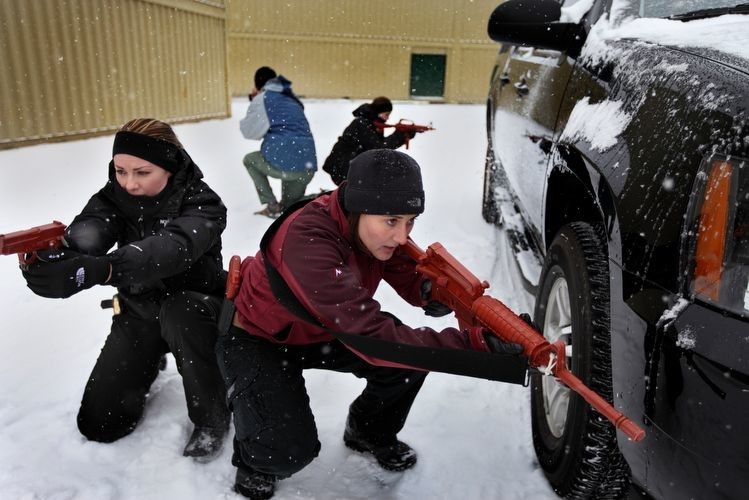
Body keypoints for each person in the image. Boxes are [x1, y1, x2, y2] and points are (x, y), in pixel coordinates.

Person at [216, 149, 528, 498]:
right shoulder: (307, 239)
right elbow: (370, 337)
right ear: (356, 208)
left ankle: (367, 432)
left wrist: (434, 290)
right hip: (258, 336)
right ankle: (254, 461)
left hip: (324, 329)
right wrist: (476, 347)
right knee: (288, 452)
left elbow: (406, 273)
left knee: (405, 366)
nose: (402, 236)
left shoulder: (366, 227)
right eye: (392, 221)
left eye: (410, 221)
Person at [21, 118, 231, 462]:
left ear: (169, 165)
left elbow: (173, 248)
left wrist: (107, 268)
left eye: (142, 172)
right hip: (139, 310)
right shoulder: (113, 197)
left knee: (182, 316)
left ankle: (213, 418)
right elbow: (90, 232)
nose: (129, 183)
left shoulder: (203, 203)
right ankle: (150, 356)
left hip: (195, 311)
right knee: (100, 425)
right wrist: (59, 261)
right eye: (120, 171)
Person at [240, 66, 317, 218]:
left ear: (257, 84)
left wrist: (254, 100)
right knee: (289, 208)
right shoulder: (291, 98)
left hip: (284, 163)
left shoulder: (263, 98)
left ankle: (272, 205)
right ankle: (320, 198)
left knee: (250, 160)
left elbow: (249, 132)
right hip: (306, 167)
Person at [322, 96, 416, 185]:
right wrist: (399, 135)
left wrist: (403, 137)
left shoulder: (371, 123)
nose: (387, 118)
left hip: (349, 166)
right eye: (386, 114)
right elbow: (379, 148)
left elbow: (382, 148)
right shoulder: (362, 123)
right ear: (378, 112)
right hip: (342, 166)